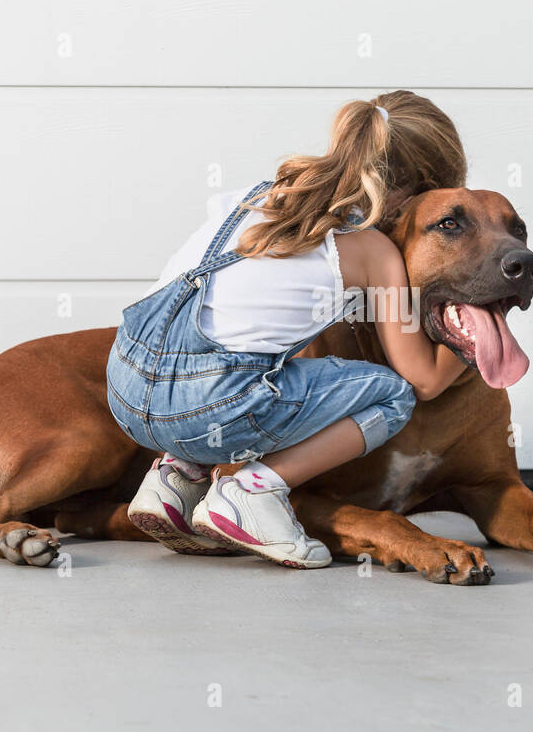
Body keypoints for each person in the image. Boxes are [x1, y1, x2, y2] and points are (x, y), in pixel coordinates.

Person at [106, 91, 468, 568]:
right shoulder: (371, 250)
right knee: (392, 393)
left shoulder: (259, 193)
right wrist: (474, 336)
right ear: (420, 191)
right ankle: (251, 493)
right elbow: (423, 379)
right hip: (204, 404)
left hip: (126, 390)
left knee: (248, 354)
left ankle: (174, 480)